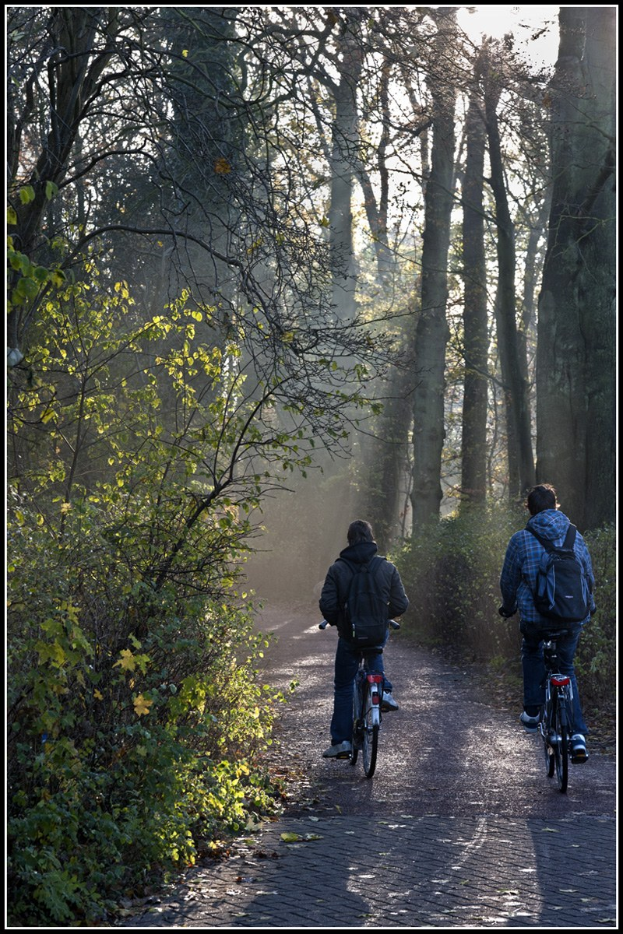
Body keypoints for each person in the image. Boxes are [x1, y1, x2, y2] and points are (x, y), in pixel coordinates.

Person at [499, 483, 596, 763]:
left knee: (531, 651)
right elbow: (587, 576)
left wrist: (508, 607)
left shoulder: (521, 538)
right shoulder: (575, 535)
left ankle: (532, 711)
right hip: (572, 617)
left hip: (535, 618)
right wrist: (590, 605)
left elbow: (509, 580)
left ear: (529, 509)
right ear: (556, 506)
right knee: (566, 666)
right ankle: (578, 735)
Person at [319, 519, 409, 759]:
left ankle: (342, 742)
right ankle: (383, 690)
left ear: (349, 540)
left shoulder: (337, 569)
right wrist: (381, 616)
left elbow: (327, 605)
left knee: (344, 685)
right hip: (377, 632)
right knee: (374, 650)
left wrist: (343, 621)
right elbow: (402, 603)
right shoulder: (386, 568)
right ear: (371, 538)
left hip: (349, 636)